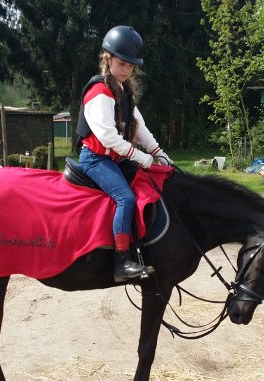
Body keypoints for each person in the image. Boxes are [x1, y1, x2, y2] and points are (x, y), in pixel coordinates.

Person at [75, 25, 173, 283]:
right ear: (107, 59)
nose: (128, 69)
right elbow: (107, 136)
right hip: (95, 159)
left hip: (114, 158)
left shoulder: (124, 92)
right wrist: (141, 158)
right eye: (122, 63)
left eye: (132, 65)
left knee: (149, 184)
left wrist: (159, 154)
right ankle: (121, 262)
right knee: (126, 198)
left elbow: (140, 129)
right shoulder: (99, 92)